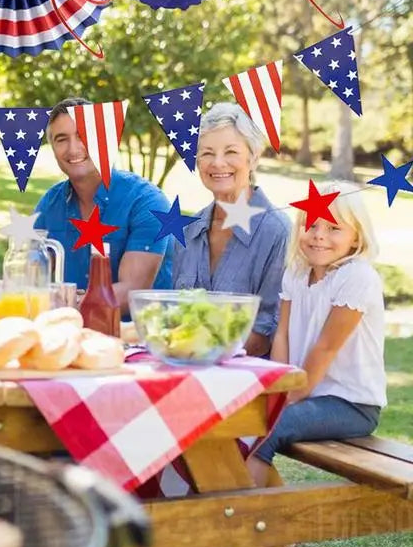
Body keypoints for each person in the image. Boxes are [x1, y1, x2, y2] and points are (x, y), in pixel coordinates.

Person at [247, 182, 385, 487]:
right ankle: (261, 511)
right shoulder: (296, 272)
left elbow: (326, 348)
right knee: (238, 419)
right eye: (311, 224)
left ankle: (241, 512)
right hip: (304, 394)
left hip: (350, 405)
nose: (319, 235)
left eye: (334, 228)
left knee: (266, 426)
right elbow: (281, 335)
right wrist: (277, 391)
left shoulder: (357, 277)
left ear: (356, 236)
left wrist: (288, 399)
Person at [172, 103, 290, 356]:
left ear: (254, 157)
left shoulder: (277, 233)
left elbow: (264, 336)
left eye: (231, 152)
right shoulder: (188, 231)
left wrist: (189, 345)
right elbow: (174, 316)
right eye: (207, 153)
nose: (218, 163)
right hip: (185, 367)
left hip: (245, 375)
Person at [34, 97, 172, 309]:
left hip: (136, 328)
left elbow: (130, 292)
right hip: (68, 326)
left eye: (83, 137)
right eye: (61, 139)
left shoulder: (147, 202)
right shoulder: (49, 206)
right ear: (52, 147)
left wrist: (71, 301)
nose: (73, 149)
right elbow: (31, 282)